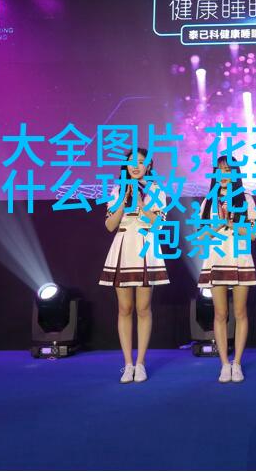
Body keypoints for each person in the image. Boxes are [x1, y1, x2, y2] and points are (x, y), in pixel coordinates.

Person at [100, 148, 169, 384]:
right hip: (122, 248)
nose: (136, 166)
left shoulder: (156, 190)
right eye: (132, 162)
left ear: (148, 166)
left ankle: (140, 363)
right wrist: (123, 200)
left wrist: (140, 202)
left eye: (141, 162)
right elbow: (109, 225)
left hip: (145, 247)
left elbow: (159, 224)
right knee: (124, 308)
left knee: (143, 308)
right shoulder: (117, 190)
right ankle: (128, 364)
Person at [197, 155, 256, 383]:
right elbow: (200, 235)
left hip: (240, 258)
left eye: (228, 170)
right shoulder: (209, 201)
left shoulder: (246, 199)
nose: (224, 175)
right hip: (216, 258)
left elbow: (253, 234)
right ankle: (224, 364)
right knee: (220, 314)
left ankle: (237, 363)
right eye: (220, 170)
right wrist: (216, 226)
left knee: (240, 313)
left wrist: (231, 222)